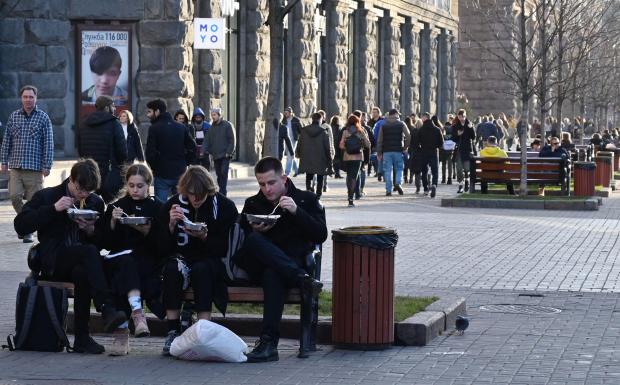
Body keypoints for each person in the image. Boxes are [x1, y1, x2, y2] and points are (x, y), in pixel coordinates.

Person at [14, 159, 127, 354]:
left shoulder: (95, 202)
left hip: (81, 262)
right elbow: (21, 225)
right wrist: (53, 209)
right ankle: (107, 308)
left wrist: (91, 231)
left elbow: (104, 242)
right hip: (54, 260)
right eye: (80, 189)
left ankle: (82, 338)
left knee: (83, 270)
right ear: (71, 180)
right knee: (88, 253)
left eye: (88, 191)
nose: (83, 195)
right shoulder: (49, 196)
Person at [236, 157, 325, 362]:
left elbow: (320, 235)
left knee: (273, 273)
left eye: (271, 182)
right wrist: (254, 228)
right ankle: (302, 279)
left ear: (284, 179)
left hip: (287, 265)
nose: (266, 189)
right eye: (261, 184)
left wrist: (296, 211)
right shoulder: (253, 203)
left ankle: (268, 344)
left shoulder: (306, 199)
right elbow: (243, 240)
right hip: (261, 265)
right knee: (255, 241)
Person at [159, 165, 239, 355]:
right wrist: (170, 225)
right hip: (182, 258)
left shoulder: (223, 206)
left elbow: (226, 248)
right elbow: (160, 247)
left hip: (212, 260)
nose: (195, 199)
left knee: (202, 270)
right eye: (191, 194)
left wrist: (204, 237)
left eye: (200, 195)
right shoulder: (173, 205)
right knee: (172, 268)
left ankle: (204, 330)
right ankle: (173, 330)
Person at [102, 163, 164, 355]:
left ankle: (122, 334)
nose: (135, 190)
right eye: (131, 185)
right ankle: (138, 316)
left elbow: (162, 245)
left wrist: (147, 231)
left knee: (129, 268)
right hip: (121, 257)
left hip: (145, 260)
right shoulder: (117, 206)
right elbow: (106, 242)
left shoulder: (158, 207)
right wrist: (112, 221)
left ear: (148, 185)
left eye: (139, 186)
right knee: (126, 264)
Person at [1, 85, 54, 243]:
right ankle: (25, 222)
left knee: (34, 202)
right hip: (16, 166)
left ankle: (27, 230)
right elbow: (7, 140)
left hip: (35, 168)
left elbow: (48, 143)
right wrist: (3, 161)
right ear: (21, 98)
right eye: (25, 97)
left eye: (31, 97)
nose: (28, 100)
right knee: (14, 195)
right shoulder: (14, 116)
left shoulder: (43, 118)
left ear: (36, 98)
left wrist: (47, 165)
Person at [78, 95, 128, 203]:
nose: (115, 109)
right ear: (106, 107)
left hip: (89, 173)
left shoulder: (84, 123)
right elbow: (122, 151)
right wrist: (120, 168)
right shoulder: (114, 123)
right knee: (111, 207)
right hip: (109, 174)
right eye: (113, 106)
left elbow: (80, 150)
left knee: (90, 207)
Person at [145, 99, 196, 203]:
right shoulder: (181, 127)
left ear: (157, 111)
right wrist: (185, 162)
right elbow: (193, 147)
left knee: (161, 207)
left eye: (149, 111)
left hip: (162, 174)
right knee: (182, 206)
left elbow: (150, 153)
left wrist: (155, 167)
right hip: (180, 171)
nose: (148, 115)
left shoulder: (154, 128)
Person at [296, 112, 334, 199]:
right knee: (320, 176)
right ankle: (318, 195)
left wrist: (298, 153)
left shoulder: (304, 131)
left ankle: (309, 190)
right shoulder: (324, 132)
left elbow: (299, 143)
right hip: (321, 158)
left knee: (309, 175)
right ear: (320, 120)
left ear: (312, 119)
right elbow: (327, 147)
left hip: (307, 157)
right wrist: (330, 159)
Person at [376, 109, 410, 196]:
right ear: (395, 114)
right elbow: (408, 136)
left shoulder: (383, 125)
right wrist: (405, 147)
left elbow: (380, 140)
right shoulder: (401, 124)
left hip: (386, 151)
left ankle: (388, 190)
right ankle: (398, 183)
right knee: (399, 168)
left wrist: (379, 152)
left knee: (387, 170)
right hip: (398, 150)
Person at [340, 115, 372, 206]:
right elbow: (368, 144)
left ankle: (349, 194)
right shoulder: (361, 131)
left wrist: (347, 147)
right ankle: (351, 199)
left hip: (347, 157)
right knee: (354, 177)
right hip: (358, 157)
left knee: (349, 176)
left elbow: (341, 146)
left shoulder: (345, 132)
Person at [206, 108, 236, 196]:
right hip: (216, 155)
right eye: (212, 115)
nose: (213, 117)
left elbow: (232, 139)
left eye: (214, 115)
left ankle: (223, 191)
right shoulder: (211, 128)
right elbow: (207, 140)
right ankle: (222, 190)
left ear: (219, 115)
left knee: (223, 172)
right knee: (219, 174)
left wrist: (229, 151)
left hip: (225, 155)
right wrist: (205, 150)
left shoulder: (227, 125)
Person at [413, 113, 444, 198]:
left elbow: (417, 143)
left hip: (424, 152)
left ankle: (426, 188)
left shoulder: (421, 130)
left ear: (425, 118)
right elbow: (441, 143)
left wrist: (420, 148)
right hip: (434, 152)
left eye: (422, 117)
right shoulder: (437, 129)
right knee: (435, 171)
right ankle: (434, 184)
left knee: (424, 172)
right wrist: (436, 146)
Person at [452, 109, 476, 194]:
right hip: (459, 150)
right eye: (460, 116)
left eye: (463, 116)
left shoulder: (469, 124)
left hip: (468, 149)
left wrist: (471, 128)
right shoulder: (455, 125)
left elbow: (473, 137)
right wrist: (457, 135)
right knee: (459, 168)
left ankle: (467, 181)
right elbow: (453, 138)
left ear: (465, 116)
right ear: (458, 116)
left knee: (467, 169)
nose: (462, 118)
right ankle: (460, 185)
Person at [282, 107, 302, 176]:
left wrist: (300, 139)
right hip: (286, 140)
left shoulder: (296, 120)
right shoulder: (284, 120)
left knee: (289, 155)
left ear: (291, 113)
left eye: (286, 113)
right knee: (291, 155)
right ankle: (296, 170)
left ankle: (287, 172)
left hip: (293, 140)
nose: (285, 114)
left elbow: (301, 131)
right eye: (285, 113)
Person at [371, 107, 386, 181]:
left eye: (375, 112)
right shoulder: (370, 122)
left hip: (378, 142)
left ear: (378, 113)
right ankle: (379, 172)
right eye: (373, 112)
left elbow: (375, 134)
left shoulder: (379, 122)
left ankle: (379, 172)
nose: (374, 113)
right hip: (378, 143)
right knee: (380, 158)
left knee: (379, 157)